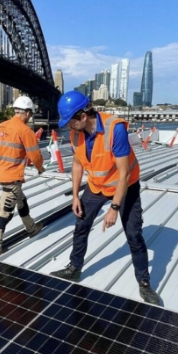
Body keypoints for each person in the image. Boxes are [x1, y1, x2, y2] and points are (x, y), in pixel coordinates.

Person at [50, 91, 159, 304]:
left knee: (134, 235)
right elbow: (77, 164)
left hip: (125, 186)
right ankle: (74, 268)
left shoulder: (114, 129)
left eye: (70, 121)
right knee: (81, 225)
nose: (68, 126)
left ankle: (144, 283)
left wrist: (114, 208)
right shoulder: (75, 133)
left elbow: (124, 172)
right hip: (96, 186)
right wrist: (75, 196)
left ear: (83, 116)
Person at [0, 96, 45, 259]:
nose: (30, 116)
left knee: (21, 200)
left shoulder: (0, 127)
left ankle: (31, 227)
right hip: (12, 178)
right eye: (31, 114)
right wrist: (40, 168)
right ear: (27, 112)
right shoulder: (25, 131)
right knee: (4, 212)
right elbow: (35, 155)